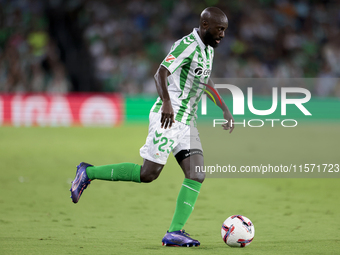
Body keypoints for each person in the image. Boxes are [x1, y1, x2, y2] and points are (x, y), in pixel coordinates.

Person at [70, 7, 234, 247]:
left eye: (225, 30)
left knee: (196, 174)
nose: (222, 35)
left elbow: (204, 79)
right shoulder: (186, 45)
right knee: (149, 174)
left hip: (187, 120)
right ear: (206, 25)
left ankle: (175, 232)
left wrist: (223, 107)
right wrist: (167, 101)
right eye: (219, 29)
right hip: (169, 116)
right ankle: (88, 172)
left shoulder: (208, 49)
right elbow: (161, 73)